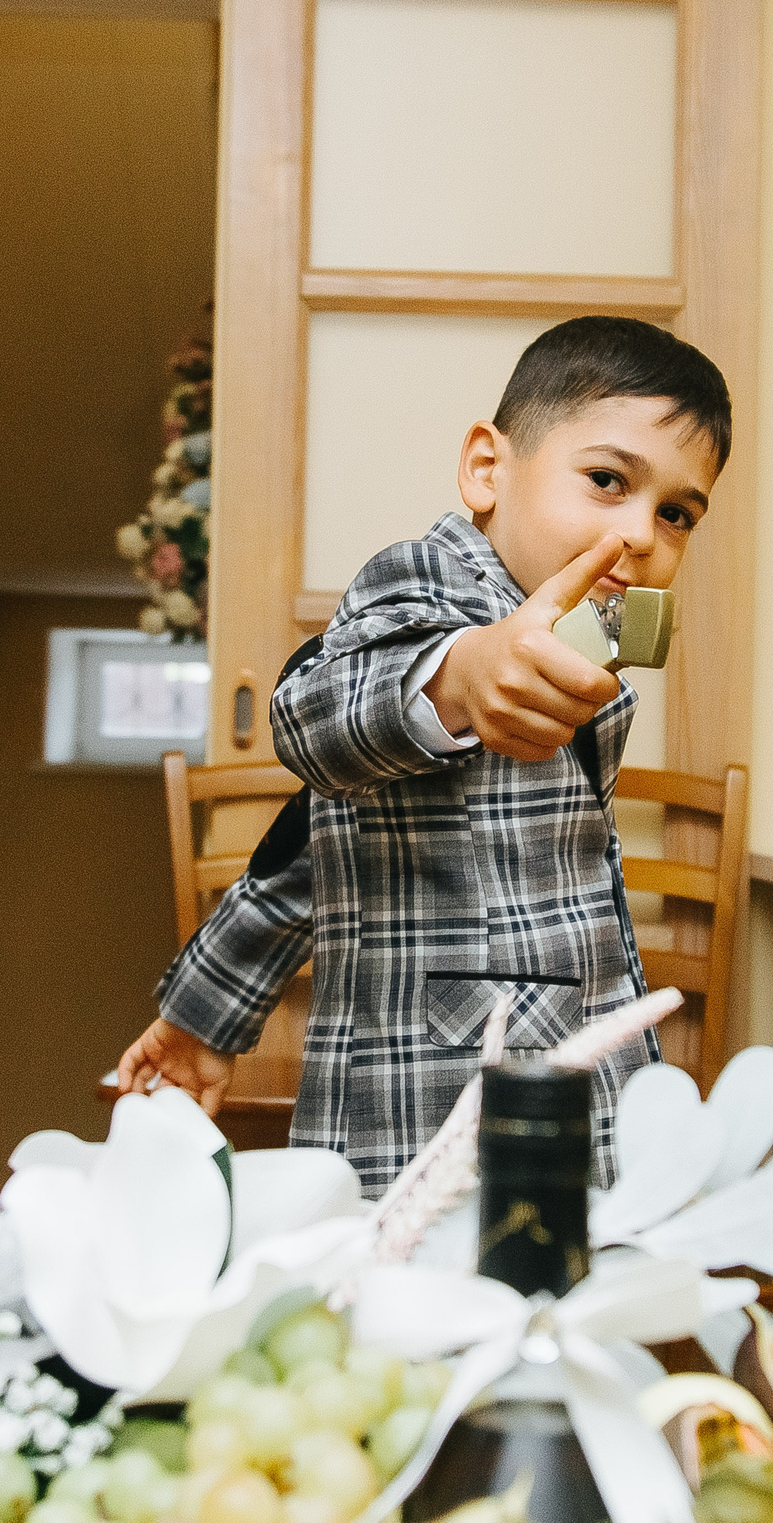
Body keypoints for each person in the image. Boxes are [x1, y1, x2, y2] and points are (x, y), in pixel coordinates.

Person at [116, 316, 732, 1192]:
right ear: (488, 468)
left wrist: (205, 1015)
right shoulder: (427, 584)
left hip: (571, 1090)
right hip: (436, 1103)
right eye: (606, 480)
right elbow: (316, 716)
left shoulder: (581, 649)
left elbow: (317, 839)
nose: (641, 533)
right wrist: (458, 679)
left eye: (676, 513)